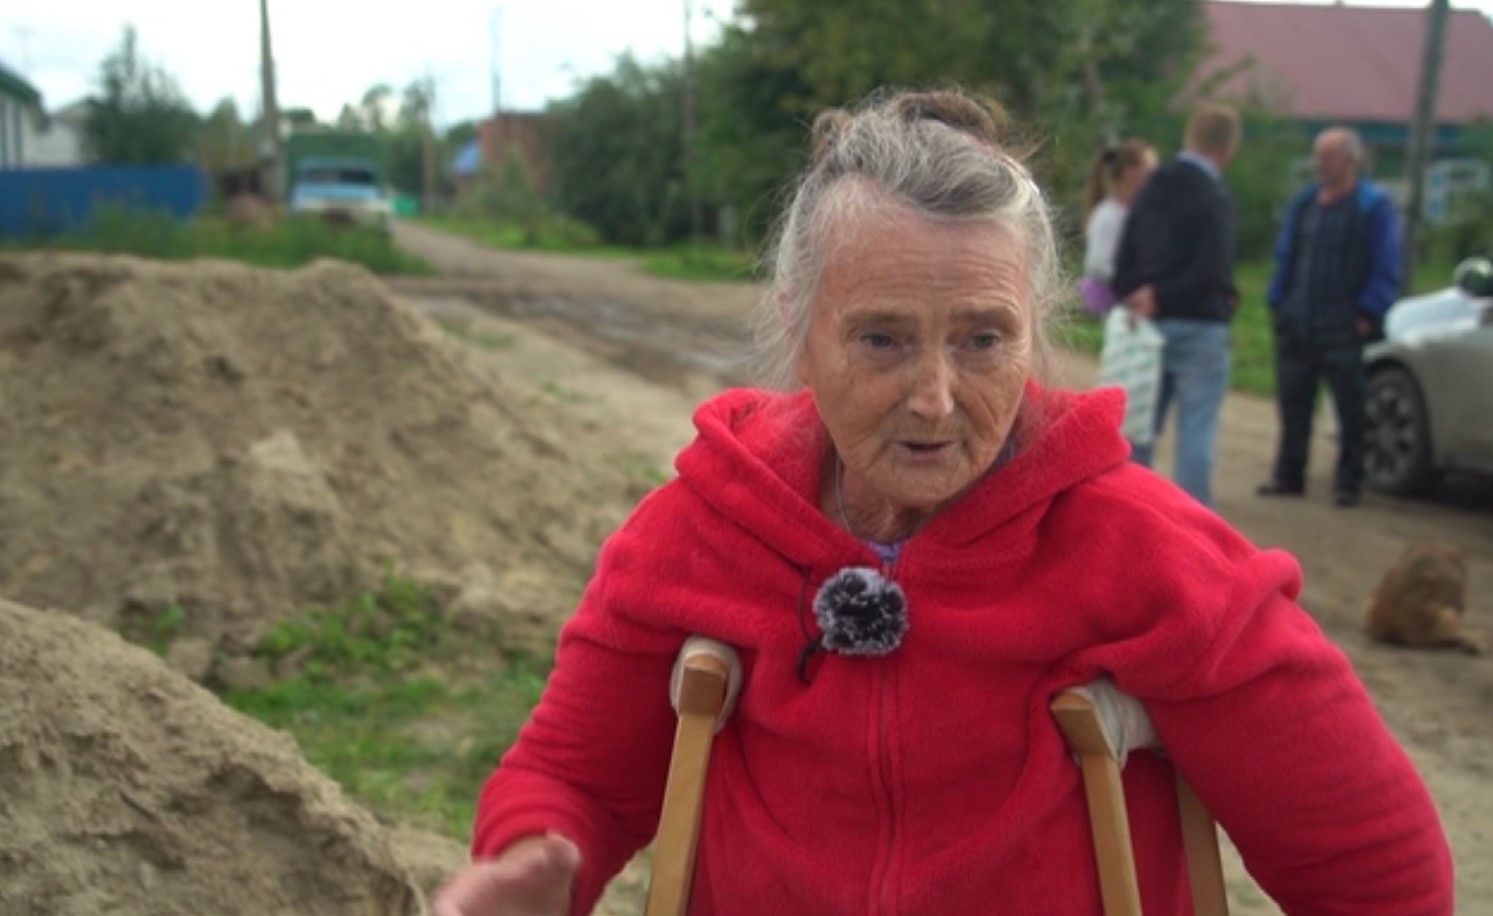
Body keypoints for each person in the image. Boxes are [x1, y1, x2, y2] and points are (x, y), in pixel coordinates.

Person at [435, 90, 1451, 916]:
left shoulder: (1150, 557)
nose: (934, 398)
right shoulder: (700, 531)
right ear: (798, 328)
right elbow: (571, 774)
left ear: (1034, 330)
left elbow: (1376, 872)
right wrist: (537, 860)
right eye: (880, 338)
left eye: (981, 339)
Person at [1257, 126, 1403, 508]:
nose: (1319, 164)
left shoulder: (1372, 206)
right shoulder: (1305, 204)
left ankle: (1348, 483)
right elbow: (1286, 256)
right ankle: (1289, 475)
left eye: (1328, 157)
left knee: (1350, 409)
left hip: (1344, 327)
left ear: (1350, 161)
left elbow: (1388, 264)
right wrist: (1279, 303)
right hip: (1298, 322)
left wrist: (1367, 313)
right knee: (1293, 404)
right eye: (1318, 156)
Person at [1111, 105, 1240, 508]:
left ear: (1189, 136)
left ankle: (1130, 512)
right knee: (1196, 431)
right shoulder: (1214, 198)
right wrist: (1165, 296)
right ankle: (1192, 525)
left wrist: (1139, 294)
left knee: (1140, 428)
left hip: (1147, 325)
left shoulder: (1152, 188)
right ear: (1227, 147)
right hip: (1199, 326)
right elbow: (1210, 268)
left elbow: (1124, 254)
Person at [1079, 138, 1158, 316]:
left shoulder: (1135, 215)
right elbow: (1097, 265)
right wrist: (1132, 283)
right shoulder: (1108, 216)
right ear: (1130, 172)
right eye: (1149, 172)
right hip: (1110, 301)